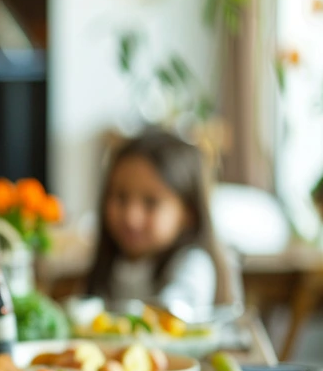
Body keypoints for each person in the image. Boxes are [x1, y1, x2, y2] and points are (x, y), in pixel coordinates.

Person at [86, 130, 240, 309]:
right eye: (121, 197)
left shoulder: (193, 264)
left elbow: (176, 310)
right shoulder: (112, 264)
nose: (131, 217)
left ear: (188, 213)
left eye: (151, 202)